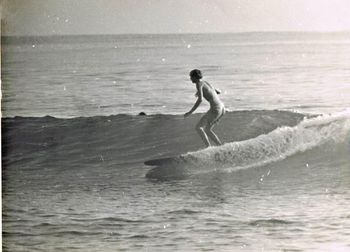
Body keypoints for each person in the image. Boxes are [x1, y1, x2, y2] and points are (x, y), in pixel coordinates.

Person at [184, 69, 225, 147]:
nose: (190, 79)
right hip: (222, 108)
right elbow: (218, 92)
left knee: (198, 127)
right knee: (208, 130)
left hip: (215, 108)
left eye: (191, 77)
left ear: (195, 77)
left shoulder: (198, 84)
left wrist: (190, 112)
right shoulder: (205, 82)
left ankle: (208, 147)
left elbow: (200, 100)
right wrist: (200, 92)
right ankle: (220, 146)